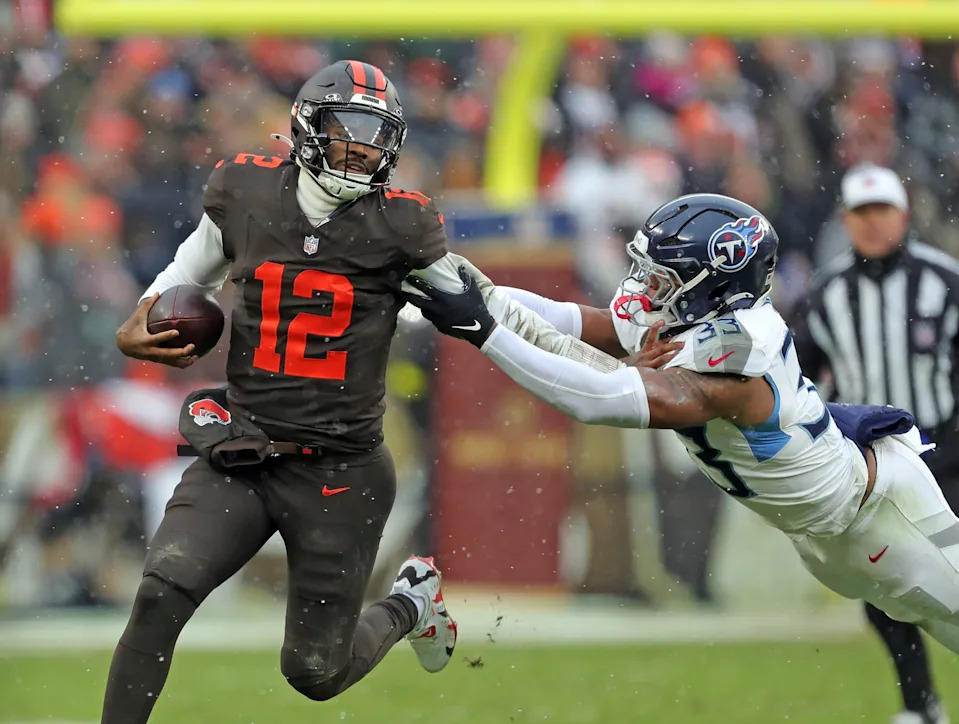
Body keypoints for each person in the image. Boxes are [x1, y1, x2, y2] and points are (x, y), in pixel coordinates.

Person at [104, 59, 516, 722]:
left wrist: (587, 341)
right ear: (304, 125)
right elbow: (190, 270)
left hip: (339, 467)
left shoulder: (402, 226)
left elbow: (482, 305)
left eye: (374, 133)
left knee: (315, 673)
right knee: (161, 591)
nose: (359, 146)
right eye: (347, 127)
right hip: (242, 446)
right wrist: (145, 312)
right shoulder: (245, 190)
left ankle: (410, 602)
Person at [404, 194, 959, 675]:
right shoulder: (695, 317)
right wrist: (470, 289)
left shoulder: (736, 354)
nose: (644, 288)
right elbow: (574, 323)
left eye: (661, 277)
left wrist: (485, 331)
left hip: (883, 511)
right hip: (824, 538)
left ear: (714, 282)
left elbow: (601, 397)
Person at [792, 164, 959, 724]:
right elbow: (801, 379)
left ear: (903, 214)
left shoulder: (946, 281)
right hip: (867, 466)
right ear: (845, 219)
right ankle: (920, 705)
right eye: (861, 213)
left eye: (881, 210)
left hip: (946, 455)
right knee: (883, 584)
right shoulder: (826, 293)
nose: (872, 222)